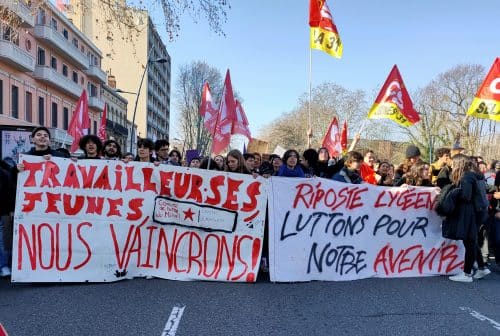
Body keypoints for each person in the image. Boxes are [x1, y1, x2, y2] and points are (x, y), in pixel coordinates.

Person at [443, 154, 491, 282]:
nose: (452, 166)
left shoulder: (466, 176)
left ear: (459, 163)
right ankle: (481, 268)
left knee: (469, 242)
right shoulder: (473, 174)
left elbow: (466, 196)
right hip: (477, 212)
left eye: (453, 163)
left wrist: (453, 194)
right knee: (472, 241)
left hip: (470, 213)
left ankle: (467, 274)